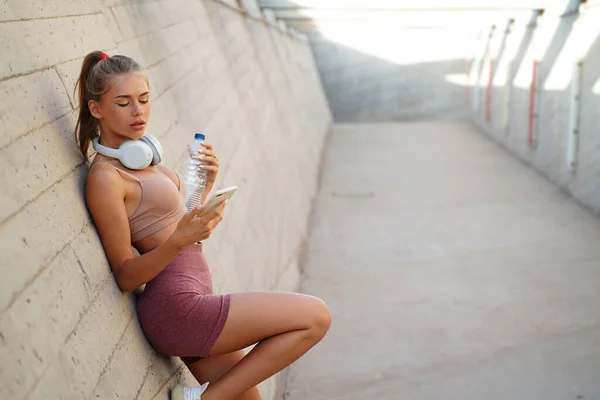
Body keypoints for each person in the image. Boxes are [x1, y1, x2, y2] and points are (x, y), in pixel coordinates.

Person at [75, 51, 331, 400]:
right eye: (123, 103)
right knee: (315, 316)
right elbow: (125, 274)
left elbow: (171, 221)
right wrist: (179, 241)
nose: (139, 112)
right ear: (96, 109)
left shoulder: (142, 159)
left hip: (193, 297)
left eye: (144, 100)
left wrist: (204, 189)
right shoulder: (107, 178)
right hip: (178, 308)